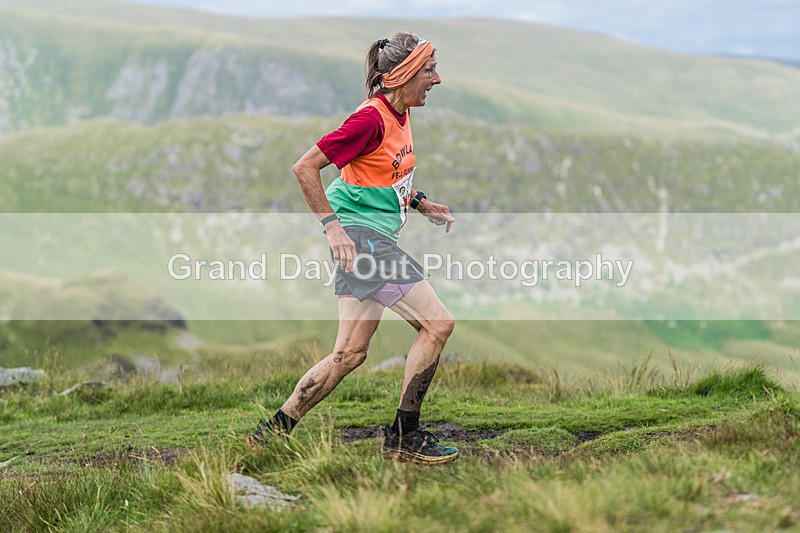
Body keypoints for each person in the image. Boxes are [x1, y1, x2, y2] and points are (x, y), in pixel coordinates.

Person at [246, 32, 459, 465]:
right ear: (400, 75)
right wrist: (333, 229)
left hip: (368, 238)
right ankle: (405, 434)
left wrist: (420, 204)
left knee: (349, 354)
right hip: (363, 242)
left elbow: (375, 172)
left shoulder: (400, 112)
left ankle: (271, 432)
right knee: (438, 325)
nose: (437, 79)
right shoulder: (369, 119)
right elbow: (305, 167)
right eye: (429, 70)